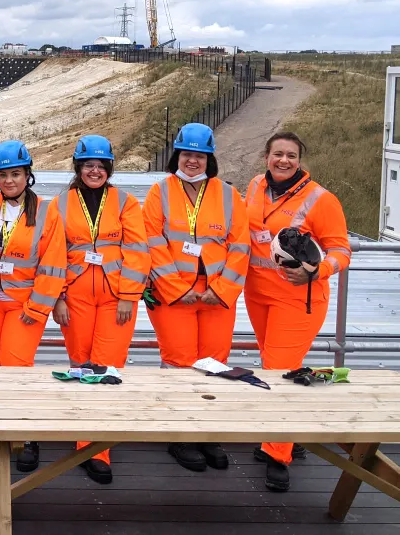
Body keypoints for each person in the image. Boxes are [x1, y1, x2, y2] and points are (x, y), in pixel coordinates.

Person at [244, 132, 350, 492]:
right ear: (266, 156)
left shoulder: (321, 199)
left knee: (277, 372)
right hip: (257, 294)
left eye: (291, 155)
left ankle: (278, 455)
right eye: (278, 154)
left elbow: (341, 250)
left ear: (300, 160)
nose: (284, 161)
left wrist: (315, 270)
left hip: (297, 299)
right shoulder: (256, 185)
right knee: (274, 367)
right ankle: (289, 433)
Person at [142, 123, 250, 473]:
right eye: (187, 154)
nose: (192, 160)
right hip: (175, 296)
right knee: (178, 361)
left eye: (199, 155)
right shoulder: (160, 192)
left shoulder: (229, 194)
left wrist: (220, 291)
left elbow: (240, 246)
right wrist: (178, 289)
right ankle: (180, 434)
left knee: (216, 363)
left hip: (217, 295)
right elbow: (152, 243)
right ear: (178, 155)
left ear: (209, 157)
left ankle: (207, 433)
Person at [49, 135, 150, 484]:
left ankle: (98, 451)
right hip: (74, 296)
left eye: (101, 165)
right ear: (78, 168)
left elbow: (138, 250)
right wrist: (57, 297)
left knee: (106, 370)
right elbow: (52, 254)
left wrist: (128, 295)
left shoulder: (126, 203)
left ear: (109, 168)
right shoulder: (59, 205)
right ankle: (84, 440)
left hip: (115, 299)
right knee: (80, 366)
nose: (95, 170)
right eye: (89, 164)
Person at [0, 140, 66, 472]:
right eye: (3, 174)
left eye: (15, 174)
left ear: (28, 174)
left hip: (25, 305)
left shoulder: (46, 212)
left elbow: (53, 264)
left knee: (16, 366)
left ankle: (27, 435)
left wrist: (38, 308)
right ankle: (0, 431)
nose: (9, 180)